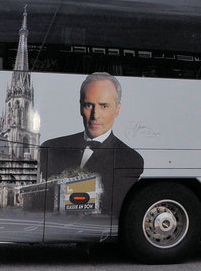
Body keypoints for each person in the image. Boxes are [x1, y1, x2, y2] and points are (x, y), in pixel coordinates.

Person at [39, 73, 144, 214]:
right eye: (89, 105)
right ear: (80, 107)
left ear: (117, 109)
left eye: (104, 106)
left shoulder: (131, 159)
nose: (95, 115)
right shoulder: (50, 148)